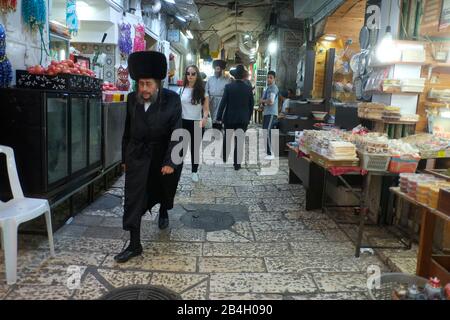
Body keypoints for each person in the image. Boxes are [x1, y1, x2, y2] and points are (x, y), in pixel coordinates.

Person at [116, 51, 183, 263]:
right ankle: (134, 244)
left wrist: (171, 161)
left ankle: (164, 209)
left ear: (158, 84)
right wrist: (125, 158)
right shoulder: (131, 99)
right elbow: (127, 129)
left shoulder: (172, 100)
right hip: (137, 155)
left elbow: (178, 132)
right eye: (140, 84)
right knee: (133, 199)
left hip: (163, 155)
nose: (144, 89)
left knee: (164, 189)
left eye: (148, 84)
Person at [217, 65, 254, 171]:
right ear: (243, 76)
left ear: (235, 76)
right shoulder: (248, 89)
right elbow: (251, 104)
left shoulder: (229, 87)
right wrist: (248, 116)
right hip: (243, 119)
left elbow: (223, 103)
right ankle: (237, 164)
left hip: (229, 117)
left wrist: (219, 116)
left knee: (227, 137)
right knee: (240, 141)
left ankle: (224, 156)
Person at [179, 65, 210, 182]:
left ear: (197, 75)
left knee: (194, 149)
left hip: (197, 123)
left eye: (193, 74)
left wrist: (205, 118)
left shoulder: (202, 91)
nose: (190, 76)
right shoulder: (181, 90)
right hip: (182, 122)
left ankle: (194, 171)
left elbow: (206, 109)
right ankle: (176, 172)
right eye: (188, 73)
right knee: (180, 149)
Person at [259, 71, 279, 160]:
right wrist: (262, 104)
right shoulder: (268, 88)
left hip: (271, 113)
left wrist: (262, 101)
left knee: (267, 131)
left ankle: (271, 153)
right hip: (267, 113)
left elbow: (271, 101)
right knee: (265, 131)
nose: (269, 79)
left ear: (274, 79)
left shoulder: (273, 88)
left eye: (271, 77)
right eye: (268, 77)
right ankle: (268, 152)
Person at [206, 59, 230, 130]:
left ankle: (219, 132)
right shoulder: (210, 79)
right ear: (214, 69)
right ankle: (215, 131)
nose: (217, 71)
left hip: (222, 101)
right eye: (216, 69)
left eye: (219, 69)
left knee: (220, 118)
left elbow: (228, 93)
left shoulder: (227, 80)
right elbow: (206, 91)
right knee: (213, 118)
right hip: (212, 101)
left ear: (222, 70)